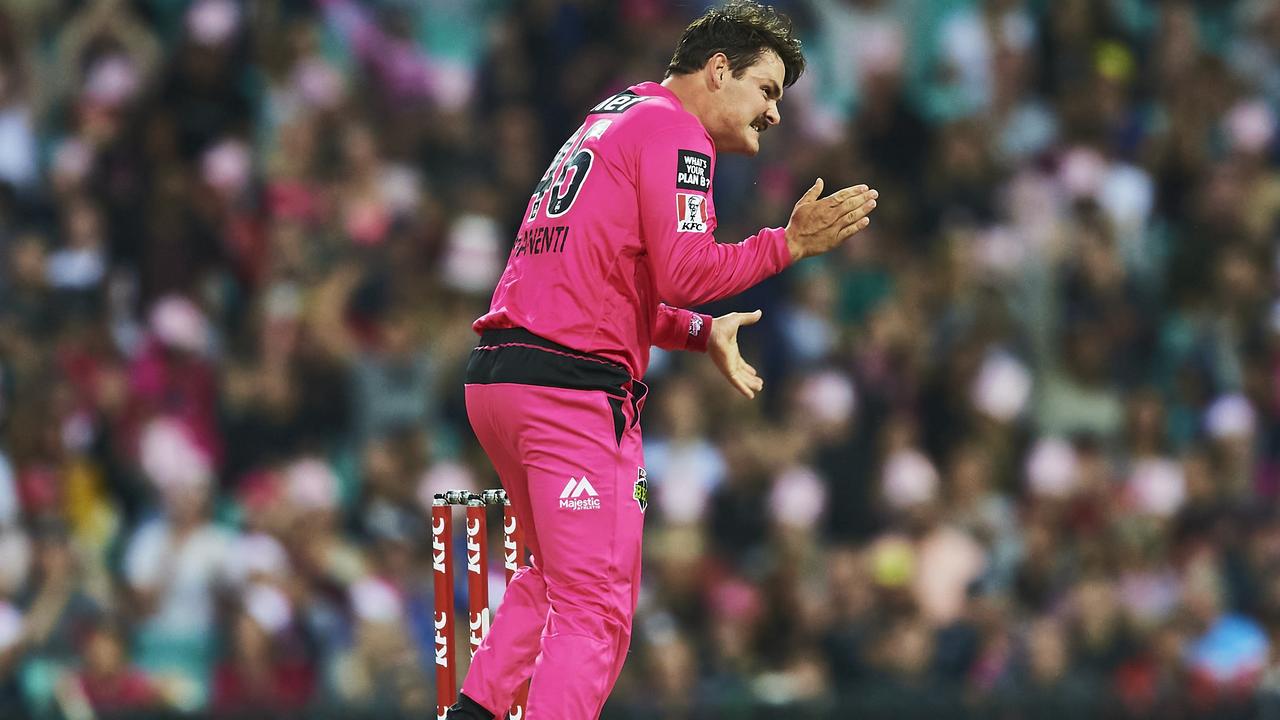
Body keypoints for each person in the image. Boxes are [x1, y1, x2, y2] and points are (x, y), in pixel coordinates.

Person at [450, 3, 878, 718]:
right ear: (718, 71)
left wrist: (697, 334)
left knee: (548, 580)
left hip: (504, 379)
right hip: (572, 396)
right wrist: (788, 245)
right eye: (767, 90)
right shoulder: (679, 134)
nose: (774, 114)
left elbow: (609, 281)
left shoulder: (615, 115)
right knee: (598, 612)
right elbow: (685, 271)